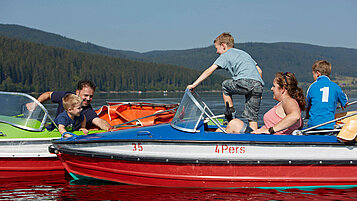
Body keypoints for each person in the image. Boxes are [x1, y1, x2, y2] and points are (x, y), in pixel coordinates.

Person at [187, 32, 264, 130]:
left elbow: (209, 70)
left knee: (225, 86)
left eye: (217, 48)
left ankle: (231, 117)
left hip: (244, 81)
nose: (217, 52)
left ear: (223, 46)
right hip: (258, 84)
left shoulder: (225, 55)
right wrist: (259, 91)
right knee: (252, 117)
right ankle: (254, 136)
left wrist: (194, 85)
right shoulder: (244, 54)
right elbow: (259, 71)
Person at [225, 72, 305, 135]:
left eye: (273, 86)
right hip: (264, 136)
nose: (271, 89)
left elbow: (295, 116)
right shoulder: (286, 103)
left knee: (234, 123)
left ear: (282, 89)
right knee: (223, 127)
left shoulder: (289, 101)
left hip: (270, 140)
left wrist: (270, 130)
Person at [27, 80, 111, 130]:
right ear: (77, 92)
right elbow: (49, 94)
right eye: (86, 95)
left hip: (68, 135)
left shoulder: (88, 110)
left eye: (91, 96)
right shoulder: (66, 96)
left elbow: (99, 121)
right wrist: (35, 104)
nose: (88, 99)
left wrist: (111, 130)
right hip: (54, 129)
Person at [305, 60, 348, 130]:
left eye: (313, 74)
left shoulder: (312, 87)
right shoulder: (336, 86)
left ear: (318, 73)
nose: (313, 77)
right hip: (329, 125)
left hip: (313, 125)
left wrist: (307, 116)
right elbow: (345, 101)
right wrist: (343, 104)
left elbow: (307, 105)